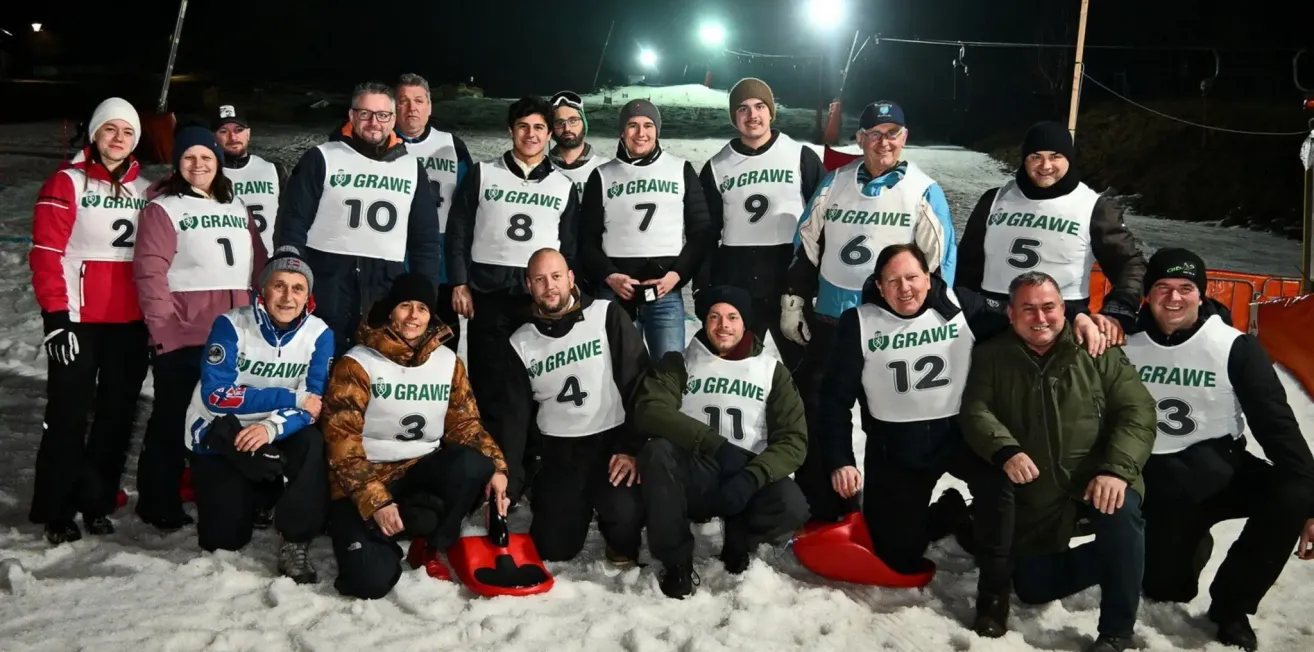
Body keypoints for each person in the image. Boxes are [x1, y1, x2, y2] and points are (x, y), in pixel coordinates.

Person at [819, 243, 1111, 636]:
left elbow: (1026, 313)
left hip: (962, 434)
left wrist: (1079, 316)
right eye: (893, 281)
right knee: (898, 554)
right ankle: (949, 513)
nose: (905, 288)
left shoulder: (962, 304)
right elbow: (834, 398)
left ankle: (994, 593)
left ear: (929, 276)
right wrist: (841, 458)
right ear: (879, 285)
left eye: (912, 277)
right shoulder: (858, 321)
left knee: (999, 491)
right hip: (896, 447)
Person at [1124, 248, 1314, 651]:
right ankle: (1188, 543)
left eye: (1185, 288)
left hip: (1221, 469)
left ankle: (1232, 606)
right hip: (1161, 481)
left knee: (1296, 490)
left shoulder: (1234, 346)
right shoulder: (1124, 340)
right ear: (1147, 293)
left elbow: (1276, 425)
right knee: (1166, 589)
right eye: (1162, 287)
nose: (1174, 298)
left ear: (1201, 293)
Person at [959, 271, 1156, 652]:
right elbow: (976, 411)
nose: (1040, 317)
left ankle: (1117, 632)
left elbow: (1138, 411)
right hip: (1041, 491)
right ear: (1011, 314)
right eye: (1028, 309)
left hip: (1099, 476)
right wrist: (1006, 449)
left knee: (1121, 517)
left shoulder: (1096, 349)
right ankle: (1131, 555)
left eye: (1049, 307)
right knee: (1034, 588)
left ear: (1064, 310)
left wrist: (1115, 470)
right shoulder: (991, 355)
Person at [783, 101, 957, 523]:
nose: (884, 142)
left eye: (892, 133)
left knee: (885, 423)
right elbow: (806, 243)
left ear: (905, 137)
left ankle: (887, 508)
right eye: (874, 134)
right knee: (817, 412)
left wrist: (933, 322)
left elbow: (939, 264)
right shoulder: (835, 181)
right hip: (831, 323)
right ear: (860, 139)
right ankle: (822, 505)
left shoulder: (922, 190)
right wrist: (794, 296)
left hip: (885, 331)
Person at [322, 273, 510, 599]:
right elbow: (342, 443)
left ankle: (431, 543)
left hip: (418, 474)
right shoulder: (357, 363)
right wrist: (377, 501)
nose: (413, 316)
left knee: (474, 463)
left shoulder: (448, 362)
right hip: (363, 482)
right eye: (405, 306)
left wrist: (498, 468)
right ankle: (374, 535)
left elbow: (465, 425)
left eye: (422, 308)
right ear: (389, 311)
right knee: (370, 582)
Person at [28, 97, 153, 544]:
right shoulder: (66, 182)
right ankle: (57, 508)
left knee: (116, 417)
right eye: (110, 130)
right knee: (68, 414)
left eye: (127, 133)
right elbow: (46, 255)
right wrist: (56, 317)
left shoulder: (146, 189)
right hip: (77, 320)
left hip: (129, 325)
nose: (118, 139)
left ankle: (96, 501)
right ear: (95, 133)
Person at [633, 286, 810, 599]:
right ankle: (676, 563)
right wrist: (714, 445)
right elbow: (651, 410)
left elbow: (793, 440)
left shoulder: (771, 371)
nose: (723, 325)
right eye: (714, 316)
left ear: (745, 323)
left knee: (792, 506)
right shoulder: (680, 362)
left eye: (732, 317)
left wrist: (753, 476)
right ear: (704, 321)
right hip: (695, 471)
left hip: (746, 472)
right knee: (658, 451)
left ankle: (741, 538)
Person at [133, 126, 268, 531]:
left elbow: (258, 264)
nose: (198, 165)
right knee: (174, 418)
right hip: (185, 334)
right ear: (177, 163)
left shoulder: (235, 205)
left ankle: (236, 497)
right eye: (189, 157)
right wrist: (164, 332)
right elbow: (150, 273)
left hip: (234, 334)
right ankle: (158, 500)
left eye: (206, 157)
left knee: (234, 418)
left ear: (218, 161)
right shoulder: (164, 207)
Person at [184, 249, 333, 583]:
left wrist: (271, 426)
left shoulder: (320, 333)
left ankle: (296, 539)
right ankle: (258, 496)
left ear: (308, 296)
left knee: (312, 442)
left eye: (297, 288)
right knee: (222, 541)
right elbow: (216, 395)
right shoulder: (231, 324)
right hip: (219, 428)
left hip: (275, 428)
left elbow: (314, 406)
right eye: (279, 285)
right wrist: (290, 397)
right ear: (262, 290)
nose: (287, 296)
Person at [496, 248, 647, 562]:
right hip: (560, 453)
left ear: (570, 278)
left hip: (612, 445)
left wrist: (632, 446)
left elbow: (640, 387)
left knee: (624, 520)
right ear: (528, 285)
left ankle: (616, 525)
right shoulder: (519, 342)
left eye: (555, 277)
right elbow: (514, 419)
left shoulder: (606, 314)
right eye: (540, 279)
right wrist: (507, 480)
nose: (549, 286)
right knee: (554, 548)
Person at [274, 81, 441, 356]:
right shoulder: (322, 157)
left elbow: (425, 240)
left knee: (375, 372)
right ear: (352, 116)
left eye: (383, 115)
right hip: (328, 284)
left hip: (384, 290)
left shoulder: (411, 167)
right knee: (321, 369)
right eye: (365, 114)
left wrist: (424, 297)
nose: (374, 122)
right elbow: (293, 223)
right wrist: (290, 274)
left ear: (393, 119)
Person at [445, 97, 578, 415]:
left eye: (538, 127)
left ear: (549, 135)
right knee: (487, 380)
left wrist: (569, 292)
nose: (530, 134)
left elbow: (570, 248)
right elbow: (458, 231)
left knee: (537, 382)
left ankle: (532, 457)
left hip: (538, 297)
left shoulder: (563, 185)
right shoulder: (482, 174)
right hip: (488, 294)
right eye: (522, 126)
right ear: (510, 130)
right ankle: (489, 457)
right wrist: (460, 282)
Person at [957, 121, 1146, 328]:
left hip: (1061, 323)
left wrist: (1119, 308)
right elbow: (967, 263)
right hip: (994, 317)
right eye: (1035, 156)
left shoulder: (1093, 206)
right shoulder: (994, 200)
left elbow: (1130, 264)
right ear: (1024, 160)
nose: (1045, 166)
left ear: (1069, 159)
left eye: (1055, 156)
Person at [699, 78, 825, 371]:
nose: (752, 115)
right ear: (734, 117)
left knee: (805, 371)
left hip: (790, 280)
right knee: (736, 369)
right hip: (739, 280)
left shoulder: (801, 156)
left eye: (759, 106)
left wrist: (815, 278)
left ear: (771, 112)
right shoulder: (717, 166)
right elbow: (706, 233)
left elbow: (824, 221)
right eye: (742, 109)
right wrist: (704, 285)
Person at [579, 98, 714, 362]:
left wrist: (676, 276)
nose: (641, 133)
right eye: (633, 125)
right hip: (617, 295)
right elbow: (586, 239)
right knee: (617, 377)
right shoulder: (603, 175)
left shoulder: (680, 169)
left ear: (657, 130)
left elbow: (702, 233)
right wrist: (609, 276)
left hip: (664, 295)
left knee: (669, 375)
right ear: (622, 131)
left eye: (648, 125)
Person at [395, 73, 473, 352]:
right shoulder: (379, 144)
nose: (411, 108)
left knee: (441, 350)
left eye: (418, 101)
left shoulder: (453, 146)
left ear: (430, 106)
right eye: (403, 101)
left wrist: (460, 276)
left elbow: (467, 214)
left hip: (441, 267)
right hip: (393, 263)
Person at [214, 103, 286, 253]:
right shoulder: (206, 176)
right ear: (214, 136)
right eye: (223, 131)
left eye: (239, 130)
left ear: (248, 133)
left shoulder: (273, 170)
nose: (233, 137)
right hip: (227, 264)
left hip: (268, 263)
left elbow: (291, 217)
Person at [547, 91, 604, 197]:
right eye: (559, 122)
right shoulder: (541, 170)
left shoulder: (605, 168)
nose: (567, 128)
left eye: (573, 121)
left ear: (584, 123)